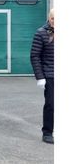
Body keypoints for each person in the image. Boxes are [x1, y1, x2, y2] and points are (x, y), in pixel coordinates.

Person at [30, 8, 54, 144]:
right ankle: (48, 132)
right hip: (50, 74)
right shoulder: (41, 33)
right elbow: (35, 56)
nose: (55, 22)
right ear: (49, 18)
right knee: (51, 104)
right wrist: (40, 77)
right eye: (53, 18)